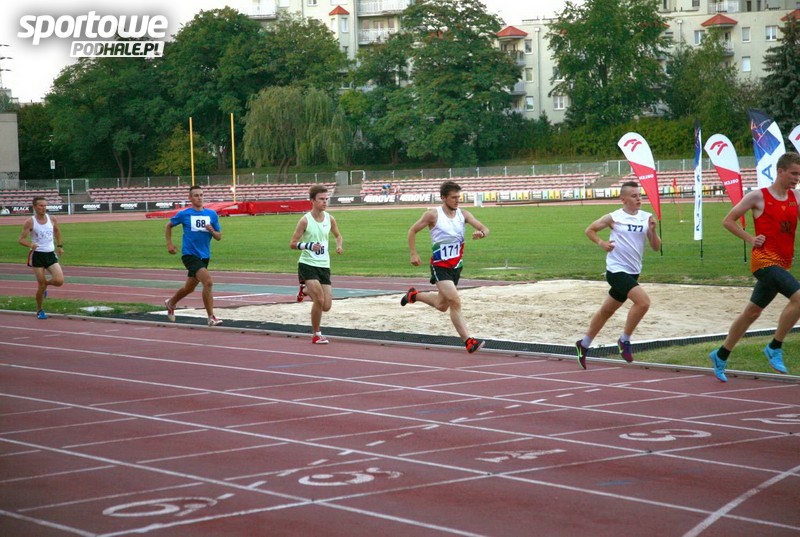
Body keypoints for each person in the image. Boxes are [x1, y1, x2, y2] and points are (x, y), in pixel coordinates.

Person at [709, 152, 800, 382]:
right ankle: (774, 346)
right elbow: (728, 221)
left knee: (752, 312)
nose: (797, 178)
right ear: (780, 171)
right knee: (799, 298)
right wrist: (750, 239)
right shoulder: (758, 197)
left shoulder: (796, 197)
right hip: (763, 262)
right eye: (793, 173)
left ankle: (721, 354)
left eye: (799, 174)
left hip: (782, 264)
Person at [575, 181, 661, 369]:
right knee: (643, 302)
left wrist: (653, 232)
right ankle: (624, 340)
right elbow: (590, 230)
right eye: (634, 196)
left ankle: (584, 344)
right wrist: (602, 243)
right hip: (616, 270)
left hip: (633, 272)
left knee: (607, 311)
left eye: (640, 195)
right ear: (623, 199)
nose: (638, 199)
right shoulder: (614, 217)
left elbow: (656, 247)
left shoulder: (646, 218)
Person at [401, 181, 490, 353]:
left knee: (441, 305)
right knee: (455, 301)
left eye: (459, 197)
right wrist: (413, 253)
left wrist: (481, 233)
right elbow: (412, 231)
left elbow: (485, 228)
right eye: (453, 197)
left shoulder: (463, 214)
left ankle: (413, 295)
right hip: (440, 266)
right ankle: (468, 341)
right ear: (443, 198)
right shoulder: (432, 215)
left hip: (456, 267)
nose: (457, 200)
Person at [289, 185, 344, 344]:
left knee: (326, 306)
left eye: (326, 199)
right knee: (319, 299)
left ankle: (305, 290)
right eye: (321, 199)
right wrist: (308, 245)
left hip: (324, 265)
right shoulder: (305, 220)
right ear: (312, 200)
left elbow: (338, 235)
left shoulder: (330, 218)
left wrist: (339, 245)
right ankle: (316, 334)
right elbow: (292, 243)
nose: (325, 202)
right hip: (307, 264)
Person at [164, 185, 223, 326]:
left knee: (189, 288)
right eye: (196, 195)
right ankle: (211, 317)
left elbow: (219, 237)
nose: (199, 198)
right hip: (189, 254)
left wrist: (212, 231)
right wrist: (169, 244)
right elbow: (168, 225)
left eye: (201, 195)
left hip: (204, 256)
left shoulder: (211, 214)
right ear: (190, 198)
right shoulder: (184, 214)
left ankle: (171, 303)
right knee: (208, 282)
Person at [18, 197, 64, 319]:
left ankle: (45, 285)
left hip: (50, 254)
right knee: (41, 285)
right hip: (38, 255)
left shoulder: (52, 219)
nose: (44, 208)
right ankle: (40, 310)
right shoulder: (30, 222)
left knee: (59, 281)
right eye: (41, 206)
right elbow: (21, 240)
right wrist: (30, 244)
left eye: (45, 205)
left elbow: (57, 231)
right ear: (34, 207)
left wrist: (60, 246)